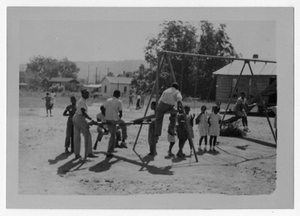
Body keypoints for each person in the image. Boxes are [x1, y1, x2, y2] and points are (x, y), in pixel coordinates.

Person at [73, 89, 97, 160]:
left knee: (77, 137)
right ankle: (89, 153)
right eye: (86, 93)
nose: (88, 95)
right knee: (87, 136)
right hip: (80, 118)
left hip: (77, 118)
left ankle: (77, 154)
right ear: (82, 94)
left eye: (88, 93)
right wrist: (91, 119)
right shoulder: (82, 101)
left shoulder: (81, 101)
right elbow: (83, 112)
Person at [103, 90, 128, 158]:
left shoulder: (108, 100)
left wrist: (106, 115)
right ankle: (123, 140)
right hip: (114, 119)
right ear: (119, 95)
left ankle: (109, 151)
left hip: (108, 119)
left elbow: (103, 108)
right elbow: (121, 113)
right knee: (123, 123)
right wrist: (118, 119)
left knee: (113, 135)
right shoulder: (119, 102)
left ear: (113, 94)